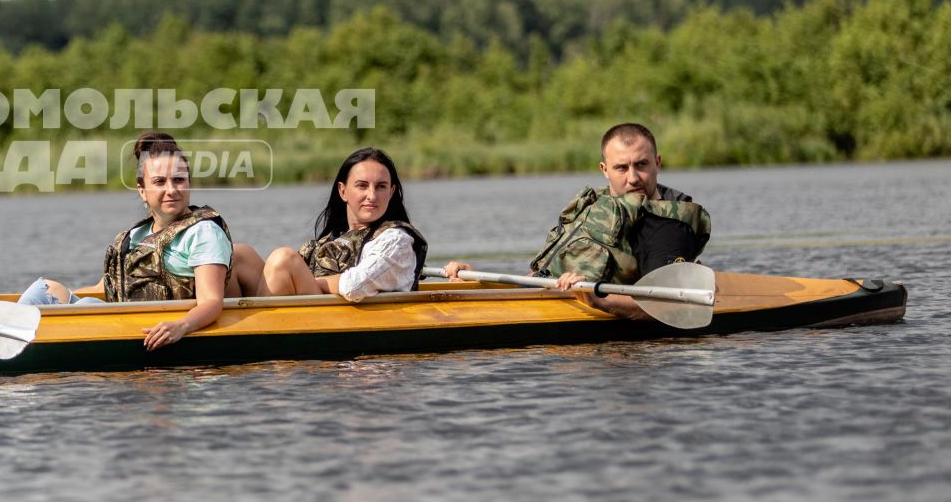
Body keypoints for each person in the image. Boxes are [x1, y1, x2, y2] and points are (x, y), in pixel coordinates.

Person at [19, 132, 264, 349]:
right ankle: (7, 325)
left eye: (179, 180)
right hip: (117, 324)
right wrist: (58, 303)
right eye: (159, 182)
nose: (171, 190)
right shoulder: (134, 236)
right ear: (142, 190)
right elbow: (106, 290)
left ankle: (15, 334)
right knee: (46, 289)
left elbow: (211, 302)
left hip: (152, 331)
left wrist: (181, 326)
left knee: (58, 299)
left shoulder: (204, 232)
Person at [443, 121, 710, 319]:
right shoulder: (598, 204)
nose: (632, 178)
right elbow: (540, 278)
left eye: (641, 165)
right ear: (604, 170)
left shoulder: (667, 223)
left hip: (591, 321)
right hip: (548, 301)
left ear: (658, 163)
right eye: (621, 167)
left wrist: (597, 300)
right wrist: (480, 282)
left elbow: (666, 304)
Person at [261, 147, 428, 299]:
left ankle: (256, 329)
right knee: (242, 256)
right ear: (343, 191)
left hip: (346, 325)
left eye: (381, 186)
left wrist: (298, 278)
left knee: (284, 259)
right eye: (362, 186)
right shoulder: (336, 236)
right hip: (325, 315)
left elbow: (354, 286)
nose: (372, 196)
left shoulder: (396, 241)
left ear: (391, 192)